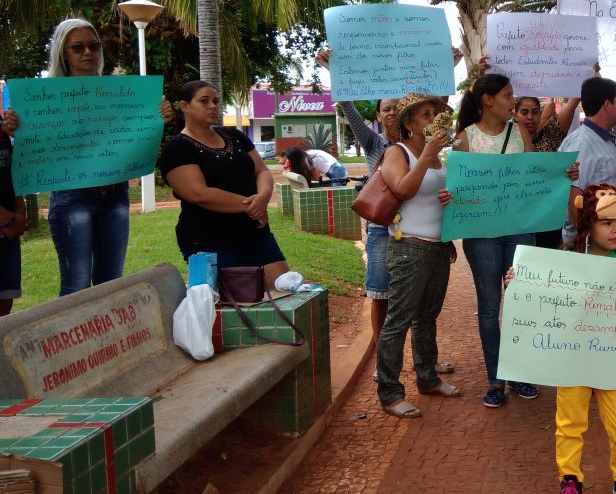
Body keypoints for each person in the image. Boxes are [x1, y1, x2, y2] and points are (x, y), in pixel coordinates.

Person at [1, 18, 172, 296]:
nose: (88, 53)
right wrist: (14, 127)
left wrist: (160, 115)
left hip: (115, 195)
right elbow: (25, 144)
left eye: (93, 46)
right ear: (63, 53)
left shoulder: (122, 94)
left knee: (111, 283)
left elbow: (136, 131)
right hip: (72, 198)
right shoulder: (41, 98)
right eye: (77, 47)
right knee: (76, 286)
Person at [506, 184, 616, 494]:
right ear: (589, 223)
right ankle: (570, 478)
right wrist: (520, 281)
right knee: (570, 424)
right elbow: (542, 293)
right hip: (572, 359)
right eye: (607, 222)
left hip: (613, 361)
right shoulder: (564, 261)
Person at [454, 73, 545, 408]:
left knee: (523, 301)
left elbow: (536, 176)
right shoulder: (465, 138)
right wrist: (453, 195)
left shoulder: (519, 132)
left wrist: (563, 175)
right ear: (488, 100)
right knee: (490, 307)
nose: (513, 101)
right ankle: (496, 379)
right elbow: (457, 186)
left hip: (521, 228)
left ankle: (520, 373)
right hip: (482, 236)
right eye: (508, 95)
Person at [314, 48, 411, 351]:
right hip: (382, 227)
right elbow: (348, 107)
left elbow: (436, 106)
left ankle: (424, 359)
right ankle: (383, 356)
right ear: (379, 116)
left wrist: (448, 67)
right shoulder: (373, 142)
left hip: (417, 226)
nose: (392, 111)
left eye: (397, 107)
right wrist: (335, 73)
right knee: (380, 294)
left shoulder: (419, 141)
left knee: (416, 297)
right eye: (386, 108)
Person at [375, 93, 460, 418]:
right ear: (409, 123)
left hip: (438, 246)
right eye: (425, 115)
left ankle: (427, 378)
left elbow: (433, 194)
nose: (432, 119)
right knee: (398, 321)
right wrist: (426, 154)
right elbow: (402, 190)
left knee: (426, 318)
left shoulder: (438, 156)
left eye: (434, 114)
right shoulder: (397, 152)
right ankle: (390, 393)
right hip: (409, 247)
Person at [160, 81, 287, 286]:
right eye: (204, 101)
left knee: (284, 289)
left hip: (256, 233)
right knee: (236, 304)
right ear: (184, 106)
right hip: (210, 239)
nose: (212, 106)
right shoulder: (177, 149)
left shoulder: (235, 136)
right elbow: (198, 193)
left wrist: (263, 198)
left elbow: (262, 170)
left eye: (216, 101)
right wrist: (253, 207)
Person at [558, 77, 616, 251]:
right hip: (594, 248)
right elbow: (574, 197)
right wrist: (591, 240)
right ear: (607, 104)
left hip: (611, 241)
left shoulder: (606, 140)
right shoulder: (583, 144)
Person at [516, 95, 582, 249]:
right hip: (518, 221)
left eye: (534, 112)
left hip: (548, 219)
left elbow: (572, 103)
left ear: (541, 113)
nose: (530, 117)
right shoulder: (506, 141)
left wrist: (570, 173)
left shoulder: (551, 134)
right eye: (524, 112)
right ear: (515, 115)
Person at [0, 128, 27, 315]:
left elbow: (12, 170)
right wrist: (7, 220)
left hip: (8, 232)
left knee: (4, 302)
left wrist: (20, 210)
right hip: (6, 224)